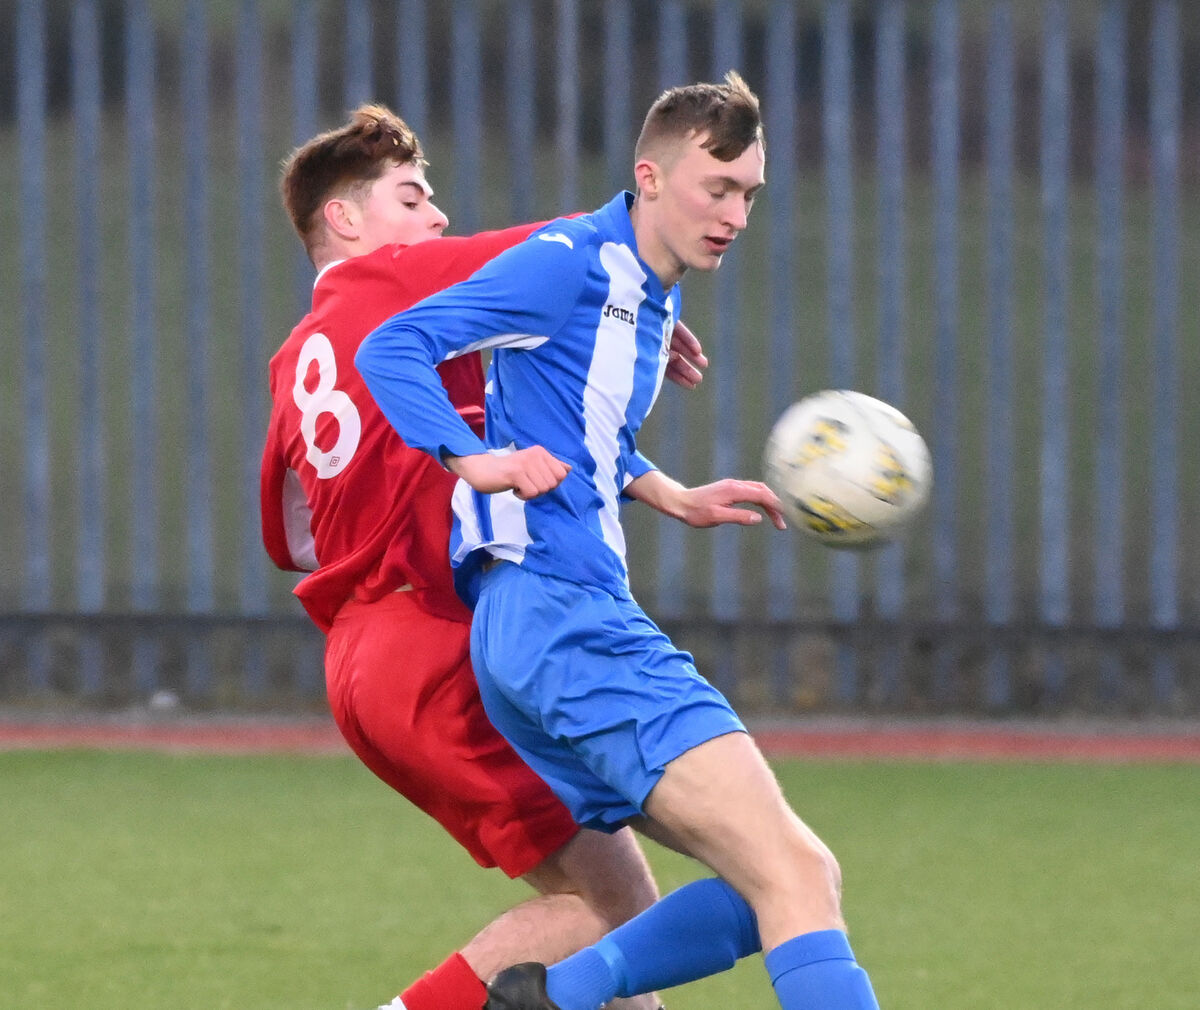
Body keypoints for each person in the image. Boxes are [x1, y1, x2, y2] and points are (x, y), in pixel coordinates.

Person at [355, 73, 884, 1010]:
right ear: (649, 176)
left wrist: (666, 492)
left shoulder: (651, 289)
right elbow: (392, 346)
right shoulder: (569, 262)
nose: (735, 215)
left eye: (748, 195)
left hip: (544, 632)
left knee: (778, 882)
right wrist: (471, 459)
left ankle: (550, 1000)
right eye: (715, 189)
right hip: (565, 618)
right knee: (795, 875)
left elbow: (580, 427)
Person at [260, 104, 707, 1010]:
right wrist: (638, 284)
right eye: (412, 197)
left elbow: (291, 536)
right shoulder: (396, 282)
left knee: (617, 915)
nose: (436, 220)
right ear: (344, 221)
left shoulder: (297, 356)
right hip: (432, 645)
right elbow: (569, 245)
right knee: (612, 911)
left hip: (360, 661)